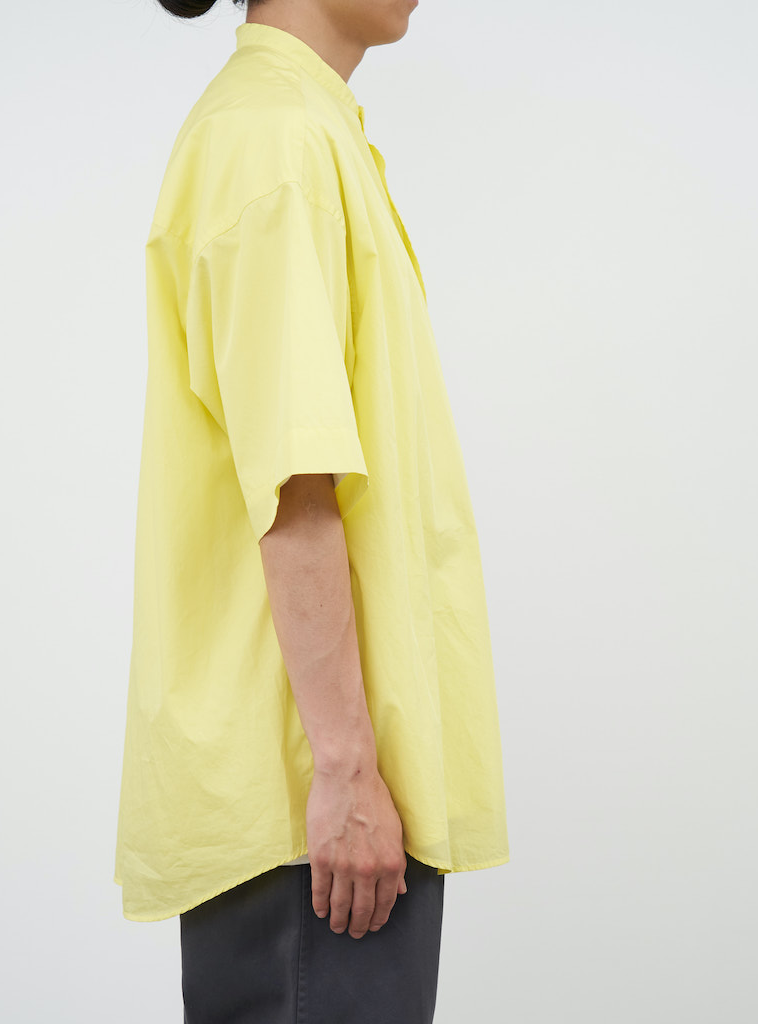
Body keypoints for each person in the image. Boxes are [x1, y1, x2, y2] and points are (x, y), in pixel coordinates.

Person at [113, 1, 510, 1020]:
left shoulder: (304, 125)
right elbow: (293, 480)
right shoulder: (273, 138)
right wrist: (343, 767)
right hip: (313, 799)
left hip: (332, 786)